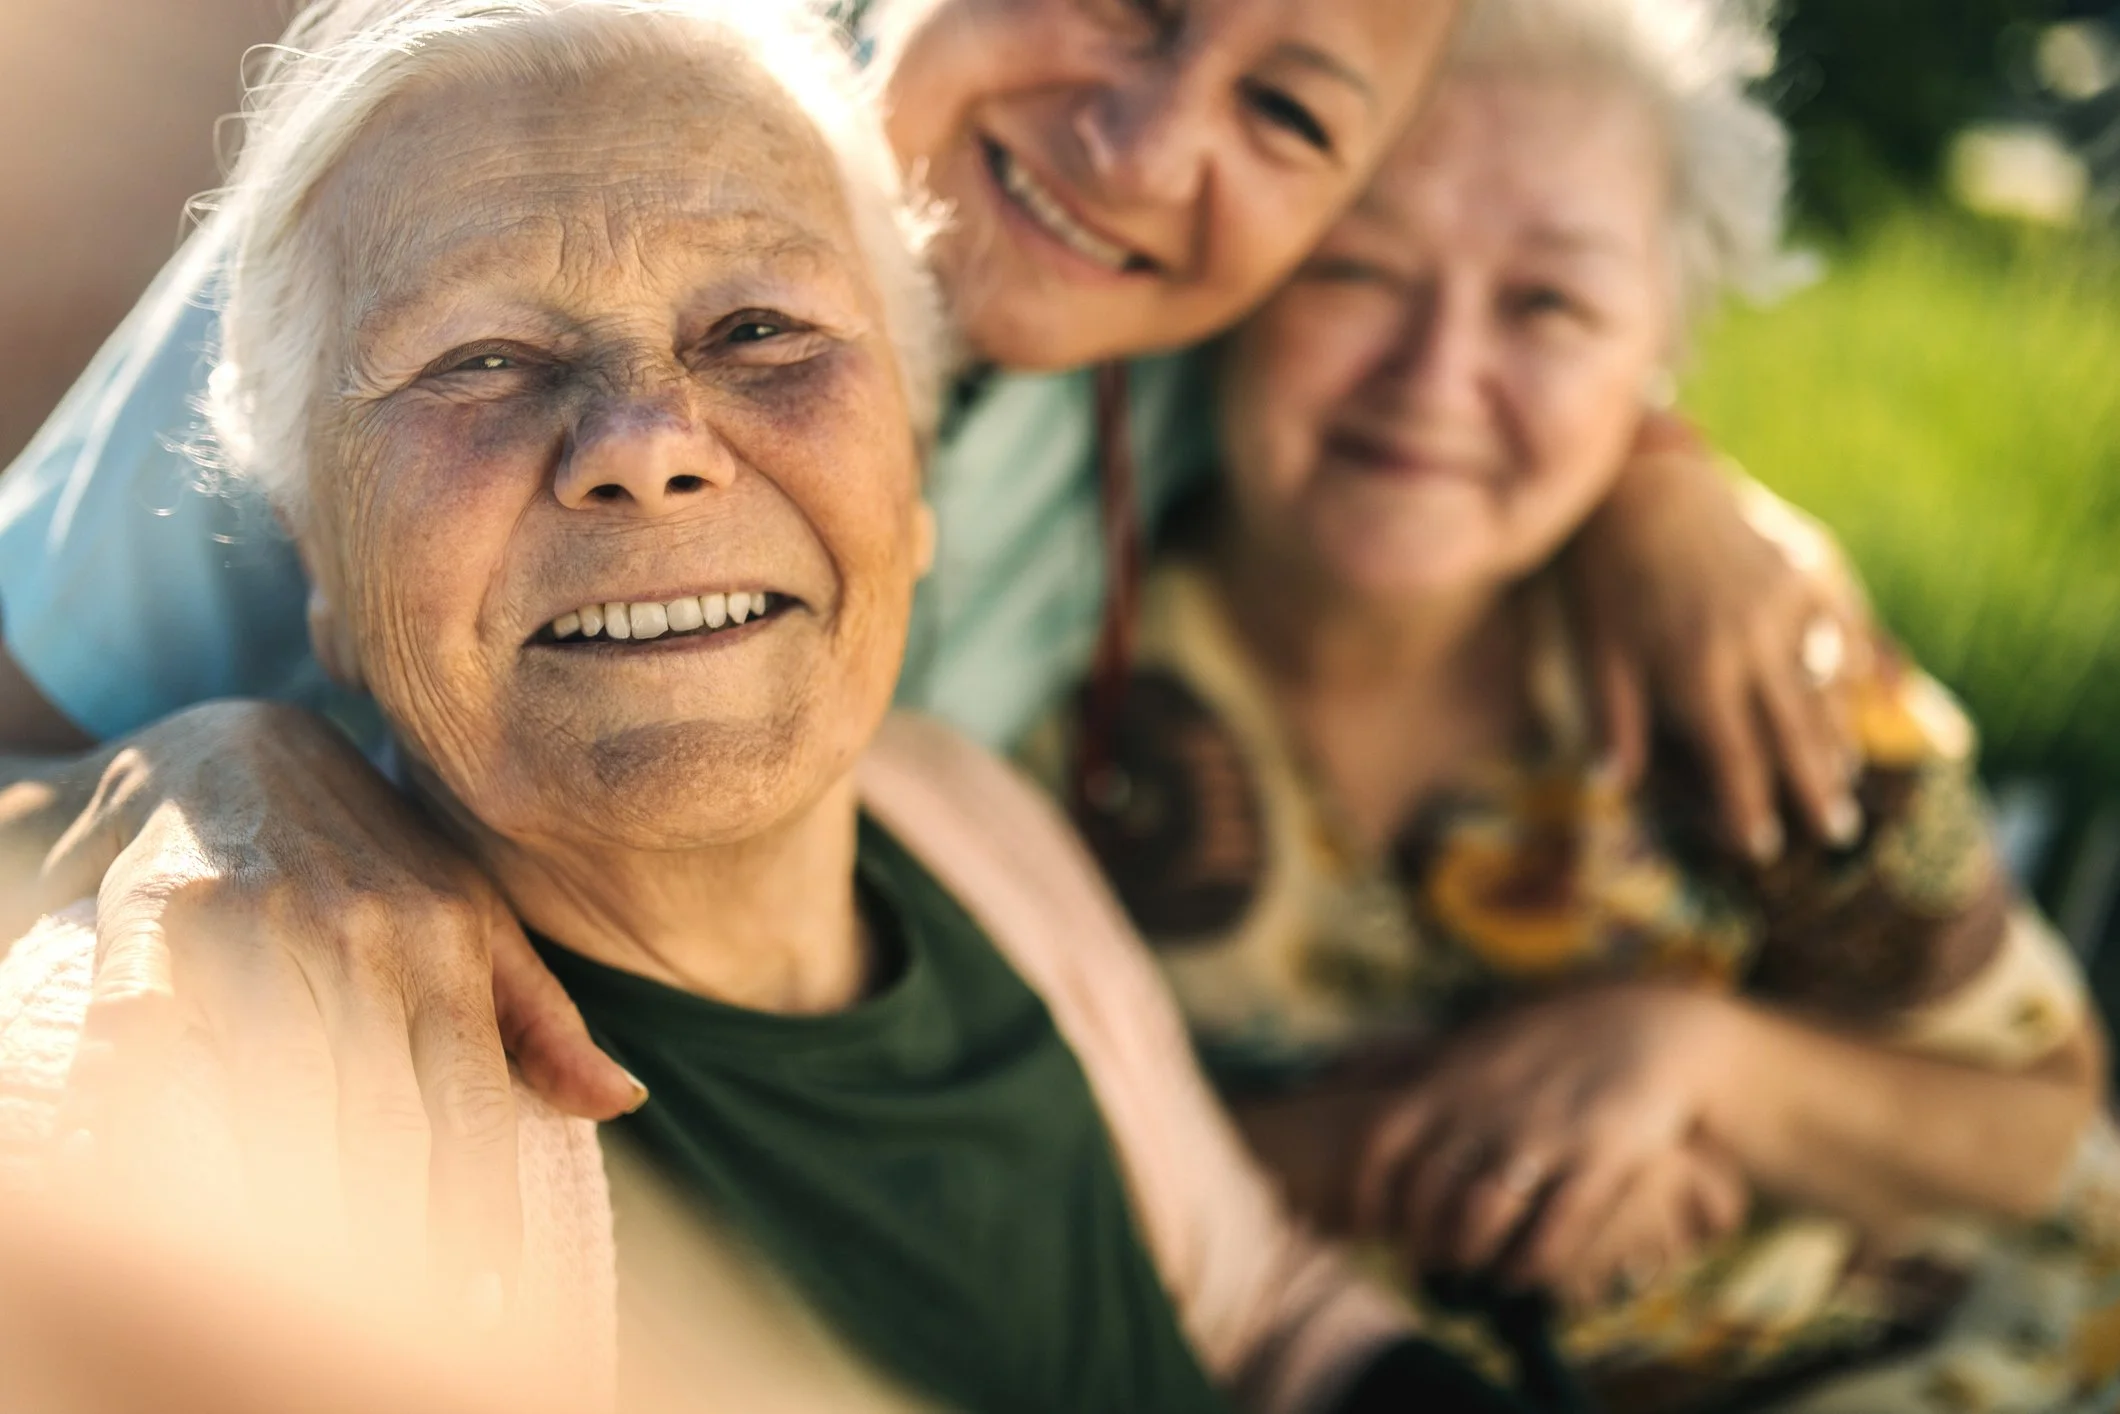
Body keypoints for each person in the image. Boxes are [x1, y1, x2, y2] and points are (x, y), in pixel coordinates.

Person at [0, 0, 1861, 1277]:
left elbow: (1472, 311)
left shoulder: (1173, 358)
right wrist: (221, 767)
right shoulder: (512, 151)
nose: (1142, 150)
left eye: (1287, 114)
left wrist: (1652, 465)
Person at [1026, 0, 2120, 1408]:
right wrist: (1426, 1138)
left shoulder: (1746, 662)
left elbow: (2036, 1123)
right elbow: (1018, 1164)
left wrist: (1702, 1065)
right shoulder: (1070, 669)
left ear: (1655, 359)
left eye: (1549, 303)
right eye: (1356, 269)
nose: (1435, 381)